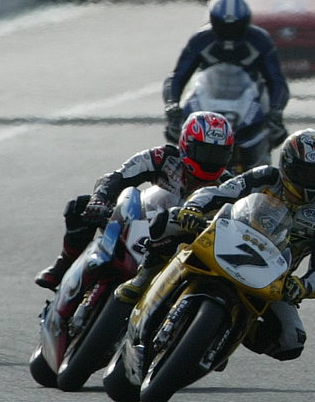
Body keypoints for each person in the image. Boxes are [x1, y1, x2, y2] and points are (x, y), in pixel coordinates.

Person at [121, 129, 315, 363]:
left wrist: (302, 285)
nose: (312, 181)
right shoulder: (265, 177)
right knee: (169, 222)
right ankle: (143, 278)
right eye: (304, 172)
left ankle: (225, 333)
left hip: (271, 277)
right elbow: (219, 193)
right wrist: (194, 208)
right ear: (287, 166)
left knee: (291, 341)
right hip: (227, 241)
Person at [34, 111, 235, 291]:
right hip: (142, 220)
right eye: (203, 152)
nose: (209, 161)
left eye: (217, 155)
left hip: (179, 244)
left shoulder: (229, 184)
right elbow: (119, 176)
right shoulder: (164, 158)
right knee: (80, 206)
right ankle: (63, 264)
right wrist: (100, 199)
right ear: (185, 145)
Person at [163, 0, 290, 144]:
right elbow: (178, 76)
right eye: (224, 27)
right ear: (214, 21)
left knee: (275, 130)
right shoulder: (201, 39)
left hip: (250, 96)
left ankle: (261, 152)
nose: (230, 33)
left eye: (235, 27)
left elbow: (276, 79)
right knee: (176, 128)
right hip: (208, 94)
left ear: (246, 22)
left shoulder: (260, 39)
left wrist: (276, 109)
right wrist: (172, 104)